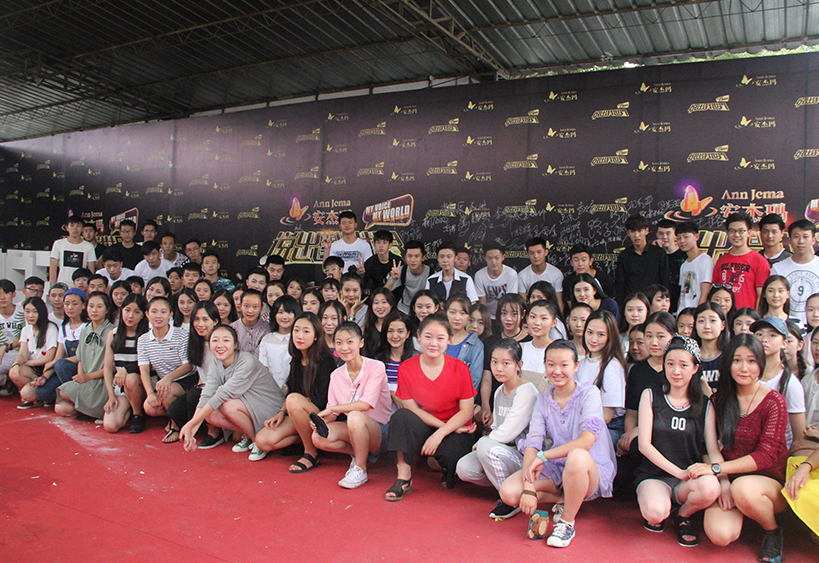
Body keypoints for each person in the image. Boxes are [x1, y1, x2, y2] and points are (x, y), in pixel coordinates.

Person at [499, 340, 616, 548]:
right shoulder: (543, 400)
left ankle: (567, 522)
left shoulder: (589, 394)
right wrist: (528, 488)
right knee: (509, 492)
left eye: (564, 365)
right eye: (551, 365)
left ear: (576, 366)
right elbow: (533, 443)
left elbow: (587, 441)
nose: (557, 371)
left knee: (577, 456)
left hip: (588, 468)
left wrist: (544, 456)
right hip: (557, 466)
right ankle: (563, 498)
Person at [688, 334, 788, 563]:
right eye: (737, 360)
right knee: (720, 535)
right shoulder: (718, 401)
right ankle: (746, 513)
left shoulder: (774, 402)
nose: (744, 368)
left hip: (767, 484)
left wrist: (717, 469)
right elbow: (708, 448)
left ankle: (772, 530)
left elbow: (766, 456)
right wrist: (722, 481)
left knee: (744, 489)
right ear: (728, 364)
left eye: (751, 361)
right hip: (729, 480)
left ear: (761, 364)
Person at [636, 336, 719, 546]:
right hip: (654, 476)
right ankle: (663, 505)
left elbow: (713, 450)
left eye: (683, 365)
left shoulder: (705, 405)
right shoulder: (651, 395)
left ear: (695, 368)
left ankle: (683, 515)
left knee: (711, 487)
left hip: (688, 478)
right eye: (670, 364)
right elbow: (644, 445)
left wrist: (723, 479)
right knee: (655, 513)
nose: (676, 371)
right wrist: (678, 472)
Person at [384, 314, 478, 499]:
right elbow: (412, 409)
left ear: (449, 339)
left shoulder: (460, 369)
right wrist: (439, 430)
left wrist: (441, 433)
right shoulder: (406, 368)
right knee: (401, 417)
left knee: (452, 455)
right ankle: (404, 477)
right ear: (419, 336)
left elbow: (467, 411)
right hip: (427, 423)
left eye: (440, 338)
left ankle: (445, 467)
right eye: (428, 337)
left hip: (455, 427)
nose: (433, 343)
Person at [457, 338, 538, 519]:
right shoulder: (500, 391)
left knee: (485, 446)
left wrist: (484, 442)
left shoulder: (526, 391)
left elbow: (507, 432)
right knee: (464, 468)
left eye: (506, 363)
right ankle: (508, 487)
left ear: (519, 365)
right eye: (494, 362)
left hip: (524, 456)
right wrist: (485, 441)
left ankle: (510, 499)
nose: (498, 368)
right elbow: (496, 427)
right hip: (503, 451)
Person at [310, 322, 392, 488]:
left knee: (355, 415)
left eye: (350, 342)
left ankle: (360, 469)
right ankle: (358, 454)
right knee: (318, 437)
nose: (344, 347)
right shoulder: (336, 375)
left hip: (380, 430)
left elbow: (365, 405)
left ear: (361, 343)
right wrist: (322, 420)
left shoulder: (376, 367)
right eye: (339, 342)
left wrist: (332, 409)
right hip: (353, 427)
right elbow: (332, 413)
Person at [180, 325, 284, 454]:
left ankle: (257, 441)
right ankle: (251, 437)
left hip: (269, 407)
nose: (220, 345)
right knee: (211, 415)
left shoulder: (247, 361)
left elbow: (222, 394)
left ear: (235, 345)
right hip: (248, 404)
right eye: (215, 340)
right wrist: (192, 429)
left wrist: (191, 424)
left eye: (226, 340)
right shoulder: (215, 363)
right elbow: (207, 394)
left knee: (228, 405)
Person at [251, 313, 335, 466]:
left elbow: (322, 400)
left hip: (320, 415)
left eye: (306, 331)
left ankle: (311, 453)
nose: (299, 336)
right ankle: (305, 439)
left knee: (294, 400)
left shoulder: (325, 360)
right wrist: (281, 412)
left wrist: (297, 402)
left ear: (316, 336)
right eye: (296, 330)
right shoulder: (297, 358)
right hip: (298, 412)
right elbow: (291, 389)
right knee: (262, 441)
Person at [618, 312, 676, 469]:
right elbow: (632, 413)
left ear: (673, 337)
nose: (654, 342)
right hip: (643, 439)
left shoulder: (678, 370)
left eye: (661, 336)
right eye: (649, 336)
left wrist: (639, 430)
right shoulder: (637, 371)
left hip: (673, 433)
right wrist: (629, 436)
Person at [137, 296, 198, 443]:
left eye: (163, 312)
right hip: (165, 382)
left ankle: (175, 427)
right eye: (154, 311)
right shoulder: (143, 340)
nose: (158, 316)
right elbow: (144, 370)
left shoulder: (182, 336)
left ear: (170, 314)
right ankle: (181, 416)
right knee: (149, 407)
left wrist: (167, 378)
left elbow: (188, 365)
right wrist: (150, 394)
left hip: (187, 379)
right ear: (147, 314)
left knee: (166, 390)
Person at [166, 301, 224, 446]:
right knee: (174, 409)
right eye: (196, 319)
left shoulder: (221, 343)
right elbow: (201, 373)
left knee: (194, 395)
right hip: (204, 388)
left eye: (205, 319)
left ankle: (215, 432)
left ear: (215, 321)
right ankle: (199, 427)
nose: (200, 324)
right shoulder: (196, 342)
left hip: (219, 391)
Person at [20, 288, 87, 407]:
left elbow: (82, 357)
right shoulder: (64, 328)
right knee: (41, 392)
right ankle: (66, 396)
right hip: (66, 372)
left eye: (74, 304)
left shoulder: (87, 327)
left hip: (82, 370)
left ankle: (78, 395)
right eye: (67, 304)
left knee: (61, 364)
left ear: (83, 305)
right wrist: (45, 377)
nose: (70, 307)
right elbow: (57, 357)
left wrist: (56, 362)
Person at [54, 292, 116, 419]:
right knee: (60, 407)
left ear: (107, 309)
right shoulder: (85, 331)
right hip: (86, 380)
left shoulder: (112, 331)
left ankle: (92, 410)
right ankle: (87, 409)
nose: (94, 310)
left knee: (65, 396)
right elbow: (80, 359)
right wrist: (81, 377)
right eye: (91, 306)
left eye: (99, 306)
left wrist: (88, 377)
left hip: (103, 381)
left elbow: (113, 366)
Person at [752, 316, 807, 450]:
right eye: (759, 334)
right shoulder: (746, 375)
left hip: (777, 452)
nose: (764, 339)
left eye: (772, 335)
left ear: (784, 343)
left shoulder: (790, 384)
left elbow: (799, 437)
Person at [576, 310, 627, 445]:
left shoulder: (613, 367)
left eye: (601, 335)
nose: (593, 339)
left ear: (610, 337)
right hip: (581, 422)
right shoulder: (581, 363)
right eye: (590, 332)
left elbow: (606, 416)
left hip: (607, 427)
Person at [478, 294, 530, 425]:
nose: (508, 318)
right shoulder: (490, 342)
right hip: (495, 400)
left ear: (523, 314)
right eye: (504, 313)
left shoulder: (530, 342)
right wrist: (485, 405)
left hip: (521, 402)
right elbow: (487, 377)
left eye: (514, 314)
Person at [101, 294, 149, 432]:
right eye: (127, 310)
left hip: (143, 384)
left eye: (136, 312)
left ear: (143, 315)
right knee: (110, 425)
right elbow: (107, 367)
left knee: (131, 378)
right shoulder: (113, 334)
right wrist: (111, 395)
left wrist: (127, 369)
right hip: (121, 387)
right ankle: (129, 410)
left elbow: (150, 364)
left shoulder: (148, 334)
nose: (130, 315)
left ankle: (138, 415)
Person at [713, 212, 770, 310]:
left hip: (746, 316)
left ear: (749, 233)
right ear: (727, 233)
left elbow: (761, 296)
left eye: (741, 231)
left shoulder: (759, 260)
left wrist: (755, 316)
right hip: (724, 315)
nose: (736, 235)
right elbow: (715, 292)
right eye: (732, 231)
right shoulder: (721, 260)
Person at [9, 297, 58, 407]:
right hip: (33, 369)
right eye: (27, 312)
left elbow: (49, 357)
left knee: (26, 393)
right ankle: (34, 395)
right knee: (14, 371)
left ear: (41, 312)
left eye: (35, 312)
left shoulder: (50, 328)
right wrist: (16, 364)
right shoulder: (26, 329)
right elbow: (22, 353)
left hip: (47, 370)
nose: (30, 315)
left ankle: (37, 394)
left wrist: (27, 363)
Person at [772, 219, 819, 329]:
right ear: (789, 240)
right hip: (787, 326)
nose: (801, 241)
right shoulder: (778, 268)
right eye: (796, 237)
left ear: (813, 240)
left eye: (805, 237)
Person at [615, 215, 670, 306]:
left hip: (654, 303)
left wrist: (664, 302)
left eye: (640, 231)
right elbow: (620, 284)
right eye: (633, 231)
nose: (637, 235)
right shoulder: (624, 255)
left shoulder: (658, 253)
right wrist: (621, 306)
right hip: (632, 303)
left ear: (646, 231)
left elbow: (665, 280)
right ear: (628, 233)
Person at [376, 311, 417, 411]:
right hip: (382, 412)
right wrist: (391, 393)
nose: (395, 336)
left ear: (407, 334)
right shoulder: (377, 360)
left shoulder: (417, 359)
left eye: (400, 331)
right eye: (390, 331)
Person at [258, 295, 300, 388]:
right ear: (274, 315)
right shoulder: (267, 339)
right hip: (270, 389)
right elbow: (263, 368)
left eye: (289, 312)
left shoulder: (299, 339)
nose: (284, 317)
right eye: (280, 312)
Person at [561, 244, 615, 311]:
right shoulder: (568, 281)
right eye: (576, 260)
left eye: (584, 260)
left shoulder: (604, 278)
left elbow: (611, 300)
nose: (580, 264)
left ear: (591, 261)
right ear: (571, 262)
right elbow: (571, 305)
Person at [521, 300, 560, 393]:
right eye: (533, 317)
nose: (537, 323)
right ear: (527, 318)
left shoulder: (560, 352)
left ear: (554, 322)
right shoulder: (519, 349)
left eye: (544, 318)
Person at [474, 243, 521, 319]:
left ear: (503, 257)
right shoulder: (479, 275)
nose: (493, 262)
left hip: (505, 315)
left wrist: (505, 317)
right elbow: (482, 302)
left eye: (497, 258)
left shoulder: (511, 274)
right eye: (489, 258)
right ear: (484, 258)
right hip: (488, 315)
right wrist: (485, 319)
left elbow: (510, 300)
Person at [676, 220, 713, 314]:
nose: (682, 241)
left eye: (686, 237)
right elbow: (682, 294)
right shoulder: (684, 265)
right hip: (683, 313)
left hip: (695, 313)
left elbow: (705, 293)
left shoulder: (705, 261)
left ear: (697, 237)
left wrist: (698, 314)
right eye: (679, 238)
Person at [50, 215, 97, 285]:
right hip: (62, 284)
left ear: (82, 229)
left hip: (81, 285)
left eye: (78, 225)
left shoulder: (88, 246)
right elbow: (53, 267)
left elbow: (91, 269)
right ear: (66, 228)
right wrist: (53, 285)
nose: (75, 228)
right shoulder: (58, 243)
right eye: (72, 225)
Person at [694, 302, 729, 395]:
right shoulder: (689, 356)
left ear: (723, 325)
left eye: (713, 320)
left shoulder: (730, 355)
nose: (707, 326)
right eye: (701, 321)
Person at [518, 237, 564, 304]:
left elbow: (559, 301)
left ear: (546, 252)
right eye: (532, 253)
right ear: (527, 254)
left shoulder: (556, 274)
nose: (536, 256)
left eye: (539, 252)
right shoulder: (522, 275)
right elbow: (523, 303)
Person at [655, 219, 687, 312]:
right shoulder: (654, 255)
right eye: (661, 233)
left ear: (675, 235)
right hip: (659, 302)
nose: (665, 237)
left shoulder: (684, 255)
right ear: (656, 235)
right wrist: (655, 250)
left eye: (668, 233)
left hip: (680, 300)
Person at [392, 240, 430, 314]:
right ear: (405, 257)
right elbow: (385, 292)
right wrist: (393, 279)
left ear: (423, 257)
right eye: (409, 256)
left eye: (416, 256)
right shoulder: (401, 271)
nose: (413, 260)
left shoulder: (431, 273)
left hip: (424, 310)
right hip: (404, 310)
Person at [0, 280, 25, 390]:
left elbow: (29, 338)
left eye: (6, 293)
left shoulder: (23, 313)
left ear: (14, 294)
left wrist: (7, 347)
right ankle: (6, 382)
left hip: (21, 354)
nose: (2, 297)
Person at [230, 289, 270, 357]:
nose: (250, 311)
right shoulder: (232, 328)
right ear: (240, 306)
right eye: (246, 306)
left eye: (255, 307)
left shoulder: (267, 329)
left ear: (261, 307)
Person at [363, 288, 395, 357]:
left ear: (391, 304)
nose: (380, 307)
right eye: (376, 303)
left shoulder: (398, 326)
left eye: (384, 302)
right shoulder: (365, 328)